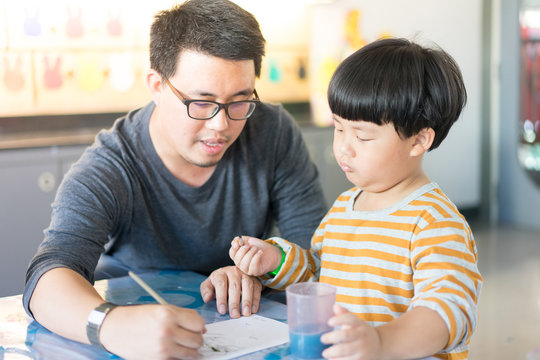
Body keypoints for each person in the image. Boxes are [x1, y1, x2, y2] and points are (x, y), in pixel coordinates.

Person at [23, 0, 327, 359]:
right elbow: (48, 276)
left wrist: (261, 272)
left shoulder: (272, 132)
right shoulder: (113, 164)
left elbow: (319, 254)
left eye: (240, 101)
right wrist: (110, 325)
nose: (221, 126)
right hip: (138, 320)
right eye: (201, 103)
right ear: (156, 85)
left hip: (247, 330)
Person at [229, 38, 483, 360]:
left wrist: (380, 342)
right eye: (338, 129)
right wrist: (276, 259)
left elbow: (450, 313)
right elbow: (318, 273)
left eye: (362, 136)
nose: (344, 148)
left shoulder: (434, 223)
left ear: (418, 140)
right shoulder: (345, 207)